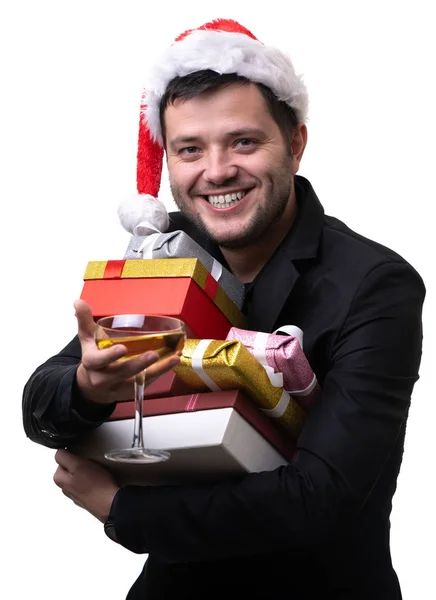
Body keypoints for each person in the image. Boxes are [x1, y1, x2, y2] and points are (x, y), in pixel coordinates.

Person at [22, 18, 425, 600]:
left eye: (243, 141)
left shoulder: (376, 284)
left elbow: (319, 496)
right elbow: (41, 402)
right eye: (189, 149)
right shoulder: (165, 250)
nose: (215, 172)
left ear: (295, 144)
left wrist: (123, 509)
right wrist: (88, 386)